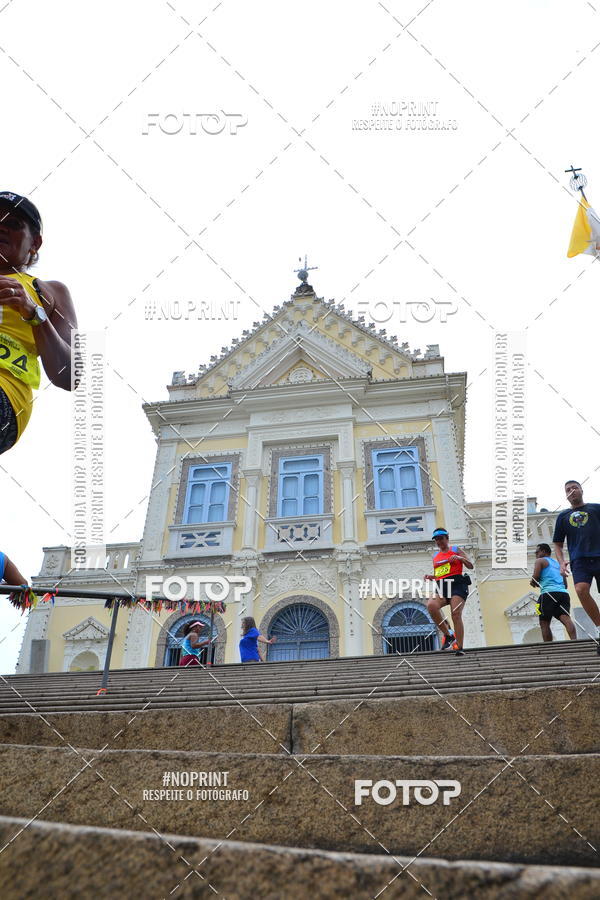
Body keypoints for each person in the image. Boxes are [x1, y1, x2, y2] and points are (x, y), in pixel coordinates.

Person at [0, 192, 78, 453]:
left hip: (6, 398)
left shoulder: (48, 291)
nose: (1, 226)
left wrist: (34, 314)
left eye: (12, 224)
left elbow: (70, 375)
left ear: (35, 242)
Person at [553, 480, 600, 653]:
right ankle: (599, 628)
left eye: (574, 488)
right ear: (565, 495)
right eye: (568, 489)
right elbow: (557, 544)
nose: (572, 491)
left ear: (581, 490)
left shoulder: (596, 508)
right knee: (581, 590)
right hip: (579, 560)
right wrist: (560, 562)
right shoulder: (563, 517)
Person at [425, 527, 474, 657]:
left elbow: (470, 565)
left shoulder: (455, 549)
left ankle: (459, 646)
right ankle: (448, 635)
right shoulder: (435, 556)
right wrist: (432, 577)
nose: (439, 542)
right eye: (436, 540)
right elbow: (441, 573)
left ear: (447, 538)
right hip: (442, 586)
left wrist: (459, 558)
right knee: (431, 606)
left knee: (455, 613)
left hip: (457, 584)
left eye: (441, 538)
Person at [530, 543, 576, 642]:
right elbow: (565, 584)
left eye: (537, 552)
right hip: (563, 594)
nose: (536, 554)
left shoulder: (540, 561)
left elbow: (535, 576)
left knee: (544, 622)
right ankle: (574, 641)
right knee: (566, 618)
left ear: (543, 551)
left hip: (547, 594)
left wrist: (533, 582)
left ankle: (548, 646)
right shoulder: (559, 564)